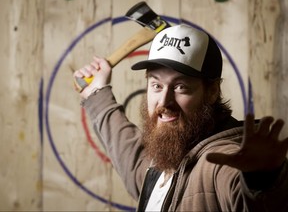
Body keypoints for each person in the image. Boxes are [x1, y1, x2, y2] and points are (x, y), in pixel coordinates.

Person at [74, 24, 288, 211]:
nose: (164, 101)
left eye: (180, 87)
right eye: (156, 85)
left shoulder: (220, 160)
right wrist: (96, 93)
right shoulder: (167, 158)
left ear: (212, 91)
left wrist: (263, 181)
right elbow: (135, 161)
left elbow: (247, 199)